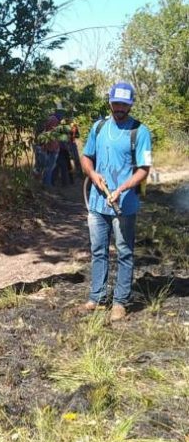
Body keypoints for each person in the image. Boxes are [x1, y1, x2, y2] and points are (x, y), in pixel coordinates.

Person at [80, 82, 152, 321]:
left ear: (130, 105)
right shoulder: (98, 127)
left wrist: (122, 188)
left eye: (124, 104)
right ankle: (97, 297)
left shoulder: (139, 132)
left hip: (125, 205)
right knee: (98, 250)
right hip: (97, 204)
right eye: (116, 103)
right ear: (110, 102)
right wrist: (93, 175)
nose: (120, 107)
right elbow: (86, 157)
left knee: (124, 252)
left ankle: (120, 301)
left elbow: (144, 169)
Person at [40, 114, 60, 186]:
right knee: (50, 167)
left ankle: (44, 182)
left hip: (47, 146)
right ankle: (47, 184)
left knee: (47, 166)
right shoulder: (55, 120)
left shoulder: (47, 120)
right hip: (53, 147)